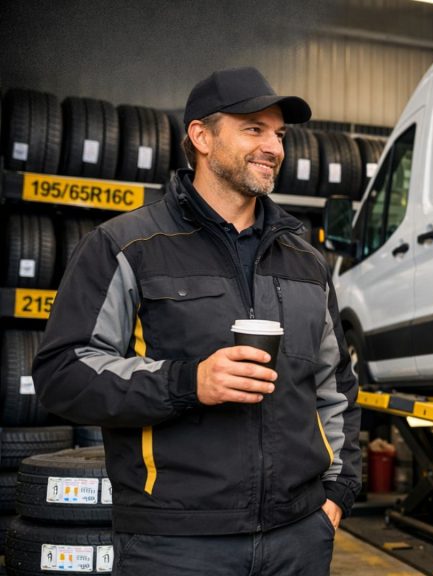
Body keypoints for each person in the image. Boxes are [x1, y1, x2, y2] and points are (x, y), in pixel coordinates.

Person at [33, 67, 361, 575]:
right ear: (201, 136)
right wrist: (190, 382)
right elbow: (63, 374)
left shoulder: (306, 260)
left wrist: (337, 494)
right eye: (254, 128)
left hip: (297, 537)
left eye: (279, 134)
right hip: (176, 543)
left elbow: (333, 385)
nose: (273, 146)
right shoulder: (126, 246)